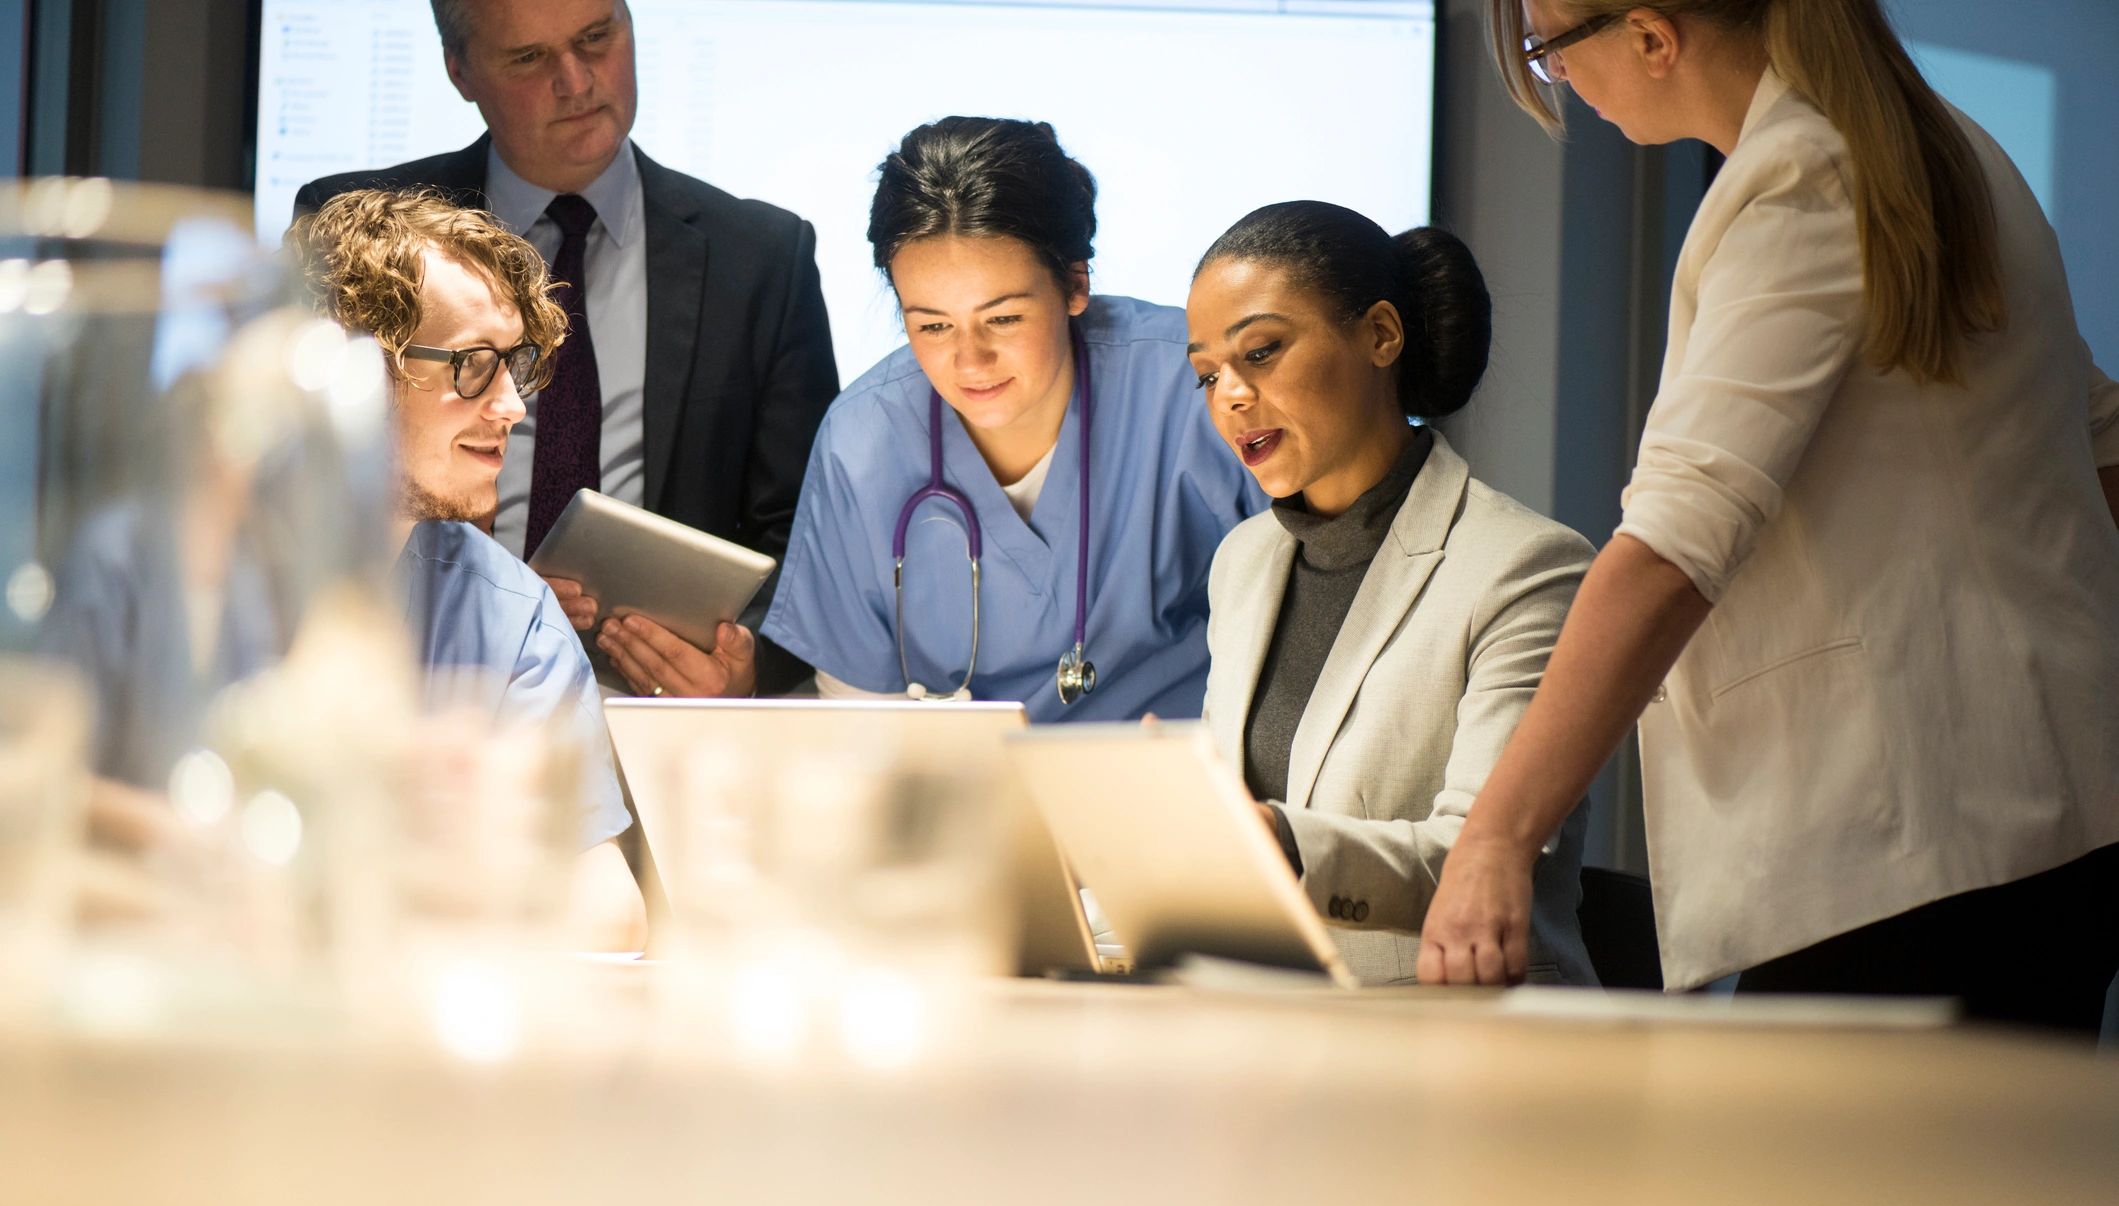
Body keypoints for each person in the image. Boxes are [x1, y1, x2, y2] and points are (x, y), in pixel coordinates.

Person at [1419, 0, 2119, 1030]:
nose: (1561, 83)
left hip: (1915, 845)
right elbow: (2098, 446)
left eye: (1549, 55)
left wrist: (1495, 837)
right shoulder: (1949, 149)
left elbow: (1672, 544)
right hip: (2029, 821)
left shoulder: (1798, 178)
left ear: (1651, 37)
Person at [293, 0, 838, 696]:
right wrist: (483, 593)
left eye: (596, 38)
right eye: (529, 58)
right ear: (459, 70)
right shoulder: (364, 229)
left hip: (663, 707)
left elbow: (807, 536)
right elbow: (305, 475)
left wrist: (747, 663)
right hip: (421, 680)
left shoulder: (761, 257)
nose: (577, 81)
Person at [1188, 203, 1595, 986]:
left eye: (1261, 353)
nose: (1229, 397)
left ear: (1381, 334)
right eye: (1207, 373)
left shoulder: (1526, 566)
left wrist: (1276, 838)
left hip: (1463, 1038)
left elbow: (1480, 856)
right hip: (1271, 1035)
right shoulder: (1243, 560)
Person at [737, 116, 1264, 721]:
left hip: (1193, 782)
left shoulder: (1193, 386)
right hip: (962, 799)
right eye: (932, 325)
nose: (969, 360)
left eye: (1004, 318)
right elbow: (864, 726)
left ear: (1073, 283)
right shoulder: (861, 443)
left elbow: (1312, 627)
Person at [289, 188, 644, 937]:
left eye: (514, 364)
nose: (513, 406)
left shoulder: (509, 613)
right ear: (352, 369)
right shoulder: (164, 567)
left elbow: (607, 911)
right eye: (474, 365)